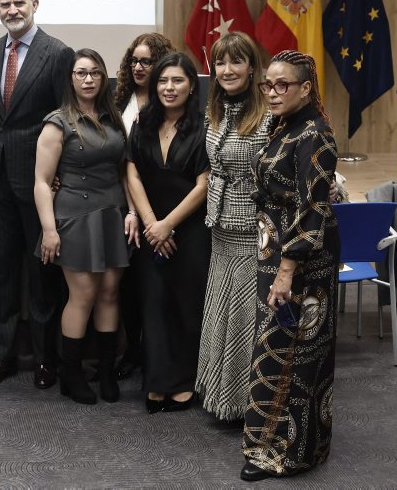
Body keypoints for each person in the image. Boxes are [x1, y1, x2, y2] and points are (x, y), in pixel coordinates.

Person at [240, 50, 339, 481]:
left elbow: (312, 209)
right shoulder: (283, 125)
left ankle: (286, 452)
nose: (273, 92)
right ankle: (282, 442)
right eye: (268, 84)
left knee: (292, 351)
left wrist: (286, 271)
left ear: (305, 88)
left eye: (283, 85)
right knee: (278, 345)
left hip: (302, 260)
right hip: (276, 251)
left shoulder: (315, 134)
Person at [0, 0, 75, 390]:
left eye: (19, 3)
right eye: (5, 4)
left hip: (40, 182)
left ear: (35, 4)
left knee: (41, 272)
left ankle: (46, 358)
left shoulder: (58, 53)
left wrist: (60, 175)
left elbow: (67, 117)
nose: (12, 10)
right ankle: (3, 356)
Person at [33, 48, 139, 404]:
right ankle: (72, 374)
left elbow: (124, 170)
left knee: (109, 292)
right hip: (74, 216)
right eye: (81, 73)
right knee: (83, 295)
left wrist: (132, 210)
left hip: (112, 213)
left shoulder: (113, 118)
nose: (89, 79)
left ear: (104, 77)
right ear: (71, 79)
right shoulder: (57, 121)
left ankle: (106, 371)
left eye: (95, 72)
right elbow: (41, 182)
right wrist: (49, 230)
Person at [125, 52, 210, 413]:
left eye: (177, 80)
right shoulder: (142, 123)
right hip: (151, 229)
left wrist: (168, 224)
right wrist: (151, 224)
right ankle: (157, 382)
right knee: (154, 304)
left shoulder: (205, 127)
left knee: (185, 304)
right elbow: (131, 173)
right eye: (162, 80)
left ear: (192, 86)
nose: (169, 87)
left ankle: (184, 382)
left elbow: (204, 184)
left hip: (189, 230)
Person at [194, 32, 272, 421]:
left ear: (252, 68)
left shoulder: (269, 116)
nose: (227, 70)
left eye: (236, 61)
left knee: (243, 315)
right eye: (221, 62)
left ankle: (242, 402)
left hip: (251, 230)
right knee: (220, 308)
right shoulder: (218, 110)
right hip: (220, 227)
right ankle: (218, 392)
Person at [113, 32, 175, 380]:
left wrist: (141, 212)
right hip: (122, 202)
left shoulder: (170, 100)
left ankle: (158, 353)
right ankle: (132, 351)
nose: (138, 67)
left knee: (158, 284)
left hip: (160, 205)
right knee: (128, 285)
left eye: (146, 61)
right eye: (134, 60)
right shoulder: (120, 98)